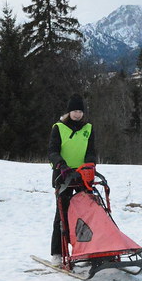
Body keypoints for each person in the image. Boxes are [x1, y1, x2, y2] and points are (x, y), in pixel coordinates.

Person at [47, 94, 97, 261]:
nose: (77, 114)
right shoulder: (59, 127)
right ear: (69, 112)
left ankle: (86, 248)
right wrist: (61, 164)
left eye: (80, 111)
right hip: (63, 175)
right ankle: (57, 253)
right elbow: (52, 151)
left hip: (83, 175)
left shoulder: (88, 128)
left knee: (86, 212)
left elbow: (91, 150)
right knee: (61, 214)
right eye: (75, 111)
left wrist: (90, 164)